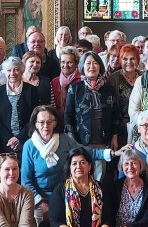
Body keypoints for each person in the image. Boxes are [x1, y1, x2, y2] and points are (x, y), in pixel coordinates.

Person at [21, 106, 118, 226]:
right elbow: (26, 181)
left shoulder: (65, 139)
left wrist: (111, 153)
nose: (45, 125)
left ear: (55, 123)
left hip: (65, 194)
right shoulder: (29, 146)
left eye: (49, 122)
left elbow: (85, 152)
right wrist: (40, 202)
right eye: (41, 122)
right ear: (35, 124)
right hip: (39, 198)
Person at [46, 148, 113, 227]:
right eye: (74, 163)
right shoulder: (60, 189)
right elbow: (55, 224)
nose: (78, 166)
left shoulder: (101, 189)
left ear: (89, 166)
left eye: (83, 162)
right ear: (70, 168)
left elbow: (108, 221)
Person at [65, 51, 122, 180]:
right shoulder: (74, 88)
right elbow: (68, 115)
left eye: (95, 63)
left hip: (103, 139)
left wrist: (114, 136)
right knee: (82, 175)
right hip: (81, 140)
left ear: (100, 67)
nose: (92, 66)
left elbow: (115, 114)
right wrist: (71, 138)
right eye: (88, 63)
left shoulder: (108, 89)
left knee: (100, 178)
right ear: (82, 67)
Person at [0, 57, 39, 152]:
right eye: (9, 70)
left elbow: (35, 117)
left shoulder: (32, 91)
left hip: (27, 141)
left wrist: (19, 138)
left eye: (16, 69)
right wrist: (10, 140)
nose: (12, 73)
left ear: (22, 71)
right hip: (2, 142)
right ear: (4, 72)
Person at [109, 44, 141, 134]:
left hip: (141, 128)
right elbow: (111, 109)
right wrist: (114, 134)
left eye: (132, 58)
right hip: (119, 129)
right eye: (125, 59)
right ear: (120, 61)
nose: (129, 62)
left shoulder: (144, 78)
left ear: (138, 60)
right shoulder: (113, 79)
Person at [51, 47, 81, 113]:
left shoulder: (81, 81)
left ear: (76, 63)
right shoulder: (54, 81)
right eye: (63, 62)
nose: (65, 65)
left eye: (69, 62)